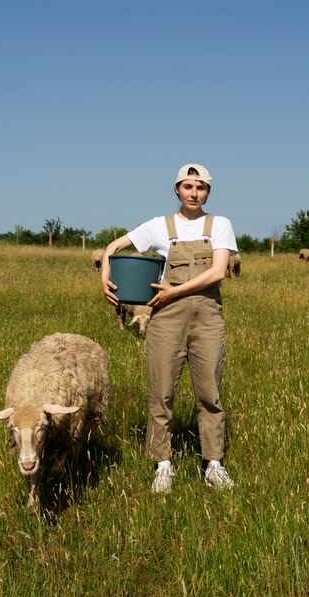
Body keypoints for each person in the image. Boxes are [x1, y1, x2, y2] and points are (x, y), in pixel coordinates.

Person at [101, 163, 238, 493]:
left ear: (208, 192)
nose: (194, 193)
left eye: (201, 187)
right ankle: (163, 464)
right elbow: (112, 248)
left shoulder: (219, 225)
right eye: (188, 187)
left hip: (207, 318)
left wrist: (174, 290)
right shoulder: (158, 227)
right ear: (176, 190)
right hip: (166, 320)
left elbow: (218, 272)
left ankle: (213, 464)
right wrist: (104, 278)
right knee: (161, 394)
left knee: (209, 394)